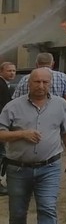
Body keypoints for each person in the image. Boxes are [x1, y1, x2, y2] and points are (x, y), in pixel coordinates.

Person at [0, 67, 66, 224]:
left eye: (45, 82)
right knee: (18, 213)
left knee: (47, 209)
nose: (41, 86)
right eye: (36, 82)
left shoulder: (61, 105)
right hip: (18, 170)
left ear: (50, 84)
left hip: (49, 168)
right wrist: (22, 134)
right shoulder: (12, 107)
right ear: (28, 83)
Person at [12, 53, 66, 126]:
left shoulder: (25, 79)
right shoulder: (62, 77)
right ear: (52, 64)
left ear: (36, 64)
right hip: (56, 117)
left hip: (30, 119)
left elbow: (15, 101)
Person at [0, 61, 16, 196]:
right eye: (9, 71)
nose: (12, 73)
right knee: (2, 154)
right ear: (1, 71)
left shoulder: (5, 84)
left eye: (14, 71)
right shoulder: (1, 85)